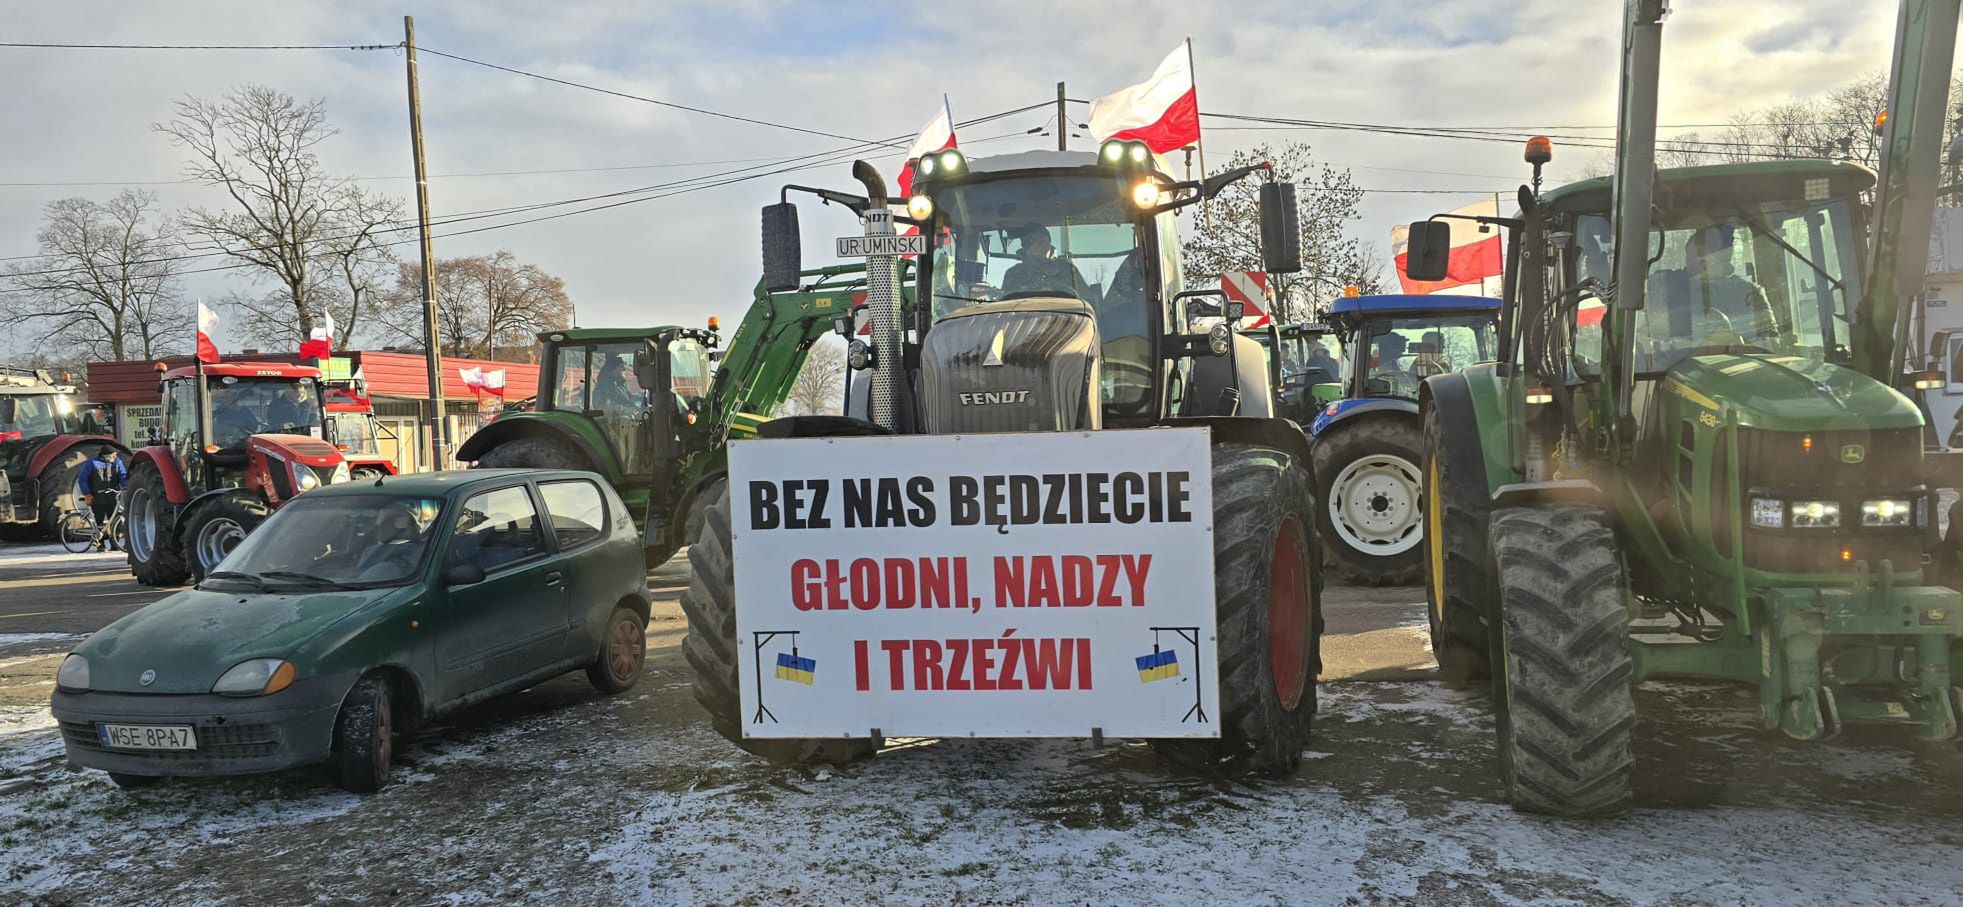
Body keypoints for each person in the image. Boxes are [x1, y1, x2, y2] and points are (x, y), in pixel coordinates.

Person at [1001, 223, 1091, 299]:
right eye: (1035, 242)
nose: (1041, 246)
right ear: (1026, 247)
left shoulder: (1066, 268)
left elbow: (1086, 300)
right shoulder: (1014, 273)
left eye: (1044, 241)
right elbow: (1005, 304)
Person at [76, 448, 126, 551]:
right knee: (98, 522)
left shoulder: (117, 462)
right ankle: (100, 545)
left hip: (112, 496)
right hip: (96, 497)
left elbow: (123, 476)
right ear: (105, 456)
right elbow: (82, 479)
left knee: (115, 522)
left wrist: (126, 487)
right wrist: (87, 493)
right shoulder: (92, 463)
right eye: (113, 455)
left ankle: (115, 544)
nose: (115, 457)